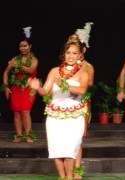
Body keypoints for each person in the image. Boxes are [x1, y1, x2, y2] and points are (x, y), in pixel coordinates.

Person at [28, 35, 89, 180]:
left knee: (69, 148)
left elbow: (82, 91)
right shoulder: (54, 71)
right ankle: (62, 177)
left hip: (74, 116)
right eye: (68, 53)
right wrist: (38, 88)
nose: (71, 56)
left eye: (75, 53)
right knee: (56, 149)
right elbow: (45, 91)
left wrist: (65, 85)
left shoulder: (83, 73)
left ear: (80, 55)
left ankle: (69, 177)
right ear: (64, 54)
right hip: (55, 115)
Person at [2, 26, 38, 143]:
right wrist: (6, 87)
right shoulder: (15, 59)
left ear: (30, 46)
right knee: (17, 112)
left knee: (25, 111)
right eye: (20, 46)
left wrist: (16, 65)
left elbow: (30, 70)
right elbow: (6, 72)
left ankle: (28, 135)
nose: (22, 48)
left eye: (25, 46)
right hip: (16, 88)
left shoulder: (34, 59)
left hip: (29, 87)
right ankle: (18, 135)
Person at [71, 22, 95, 180]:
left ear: (83, 51)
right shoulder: (64, 66)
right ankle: (68, 169)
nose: (75, 54)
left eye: (78, 51)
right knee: (67, 137)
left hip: (81, 102)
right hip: (66, 103)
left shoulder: (88, 67)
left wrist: (79, 74)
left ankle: (77, 169)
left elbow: (90, 83)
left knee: (77, 138)